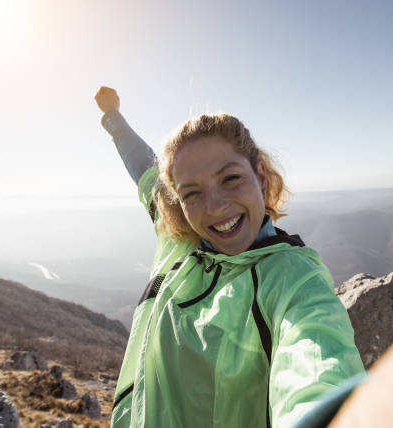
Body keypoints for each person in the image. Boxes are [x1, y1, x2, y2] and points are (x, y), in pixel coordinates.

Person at [95, 86, 365, 427]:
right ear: (177, 200)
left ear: (261, 176)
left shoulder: (291, 278)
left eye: (231, 178)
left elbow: (317, 361)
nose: (215, 207)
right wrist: (112, 116)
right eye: (192, 193)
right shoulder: (177, 241)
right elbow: (142, 166)